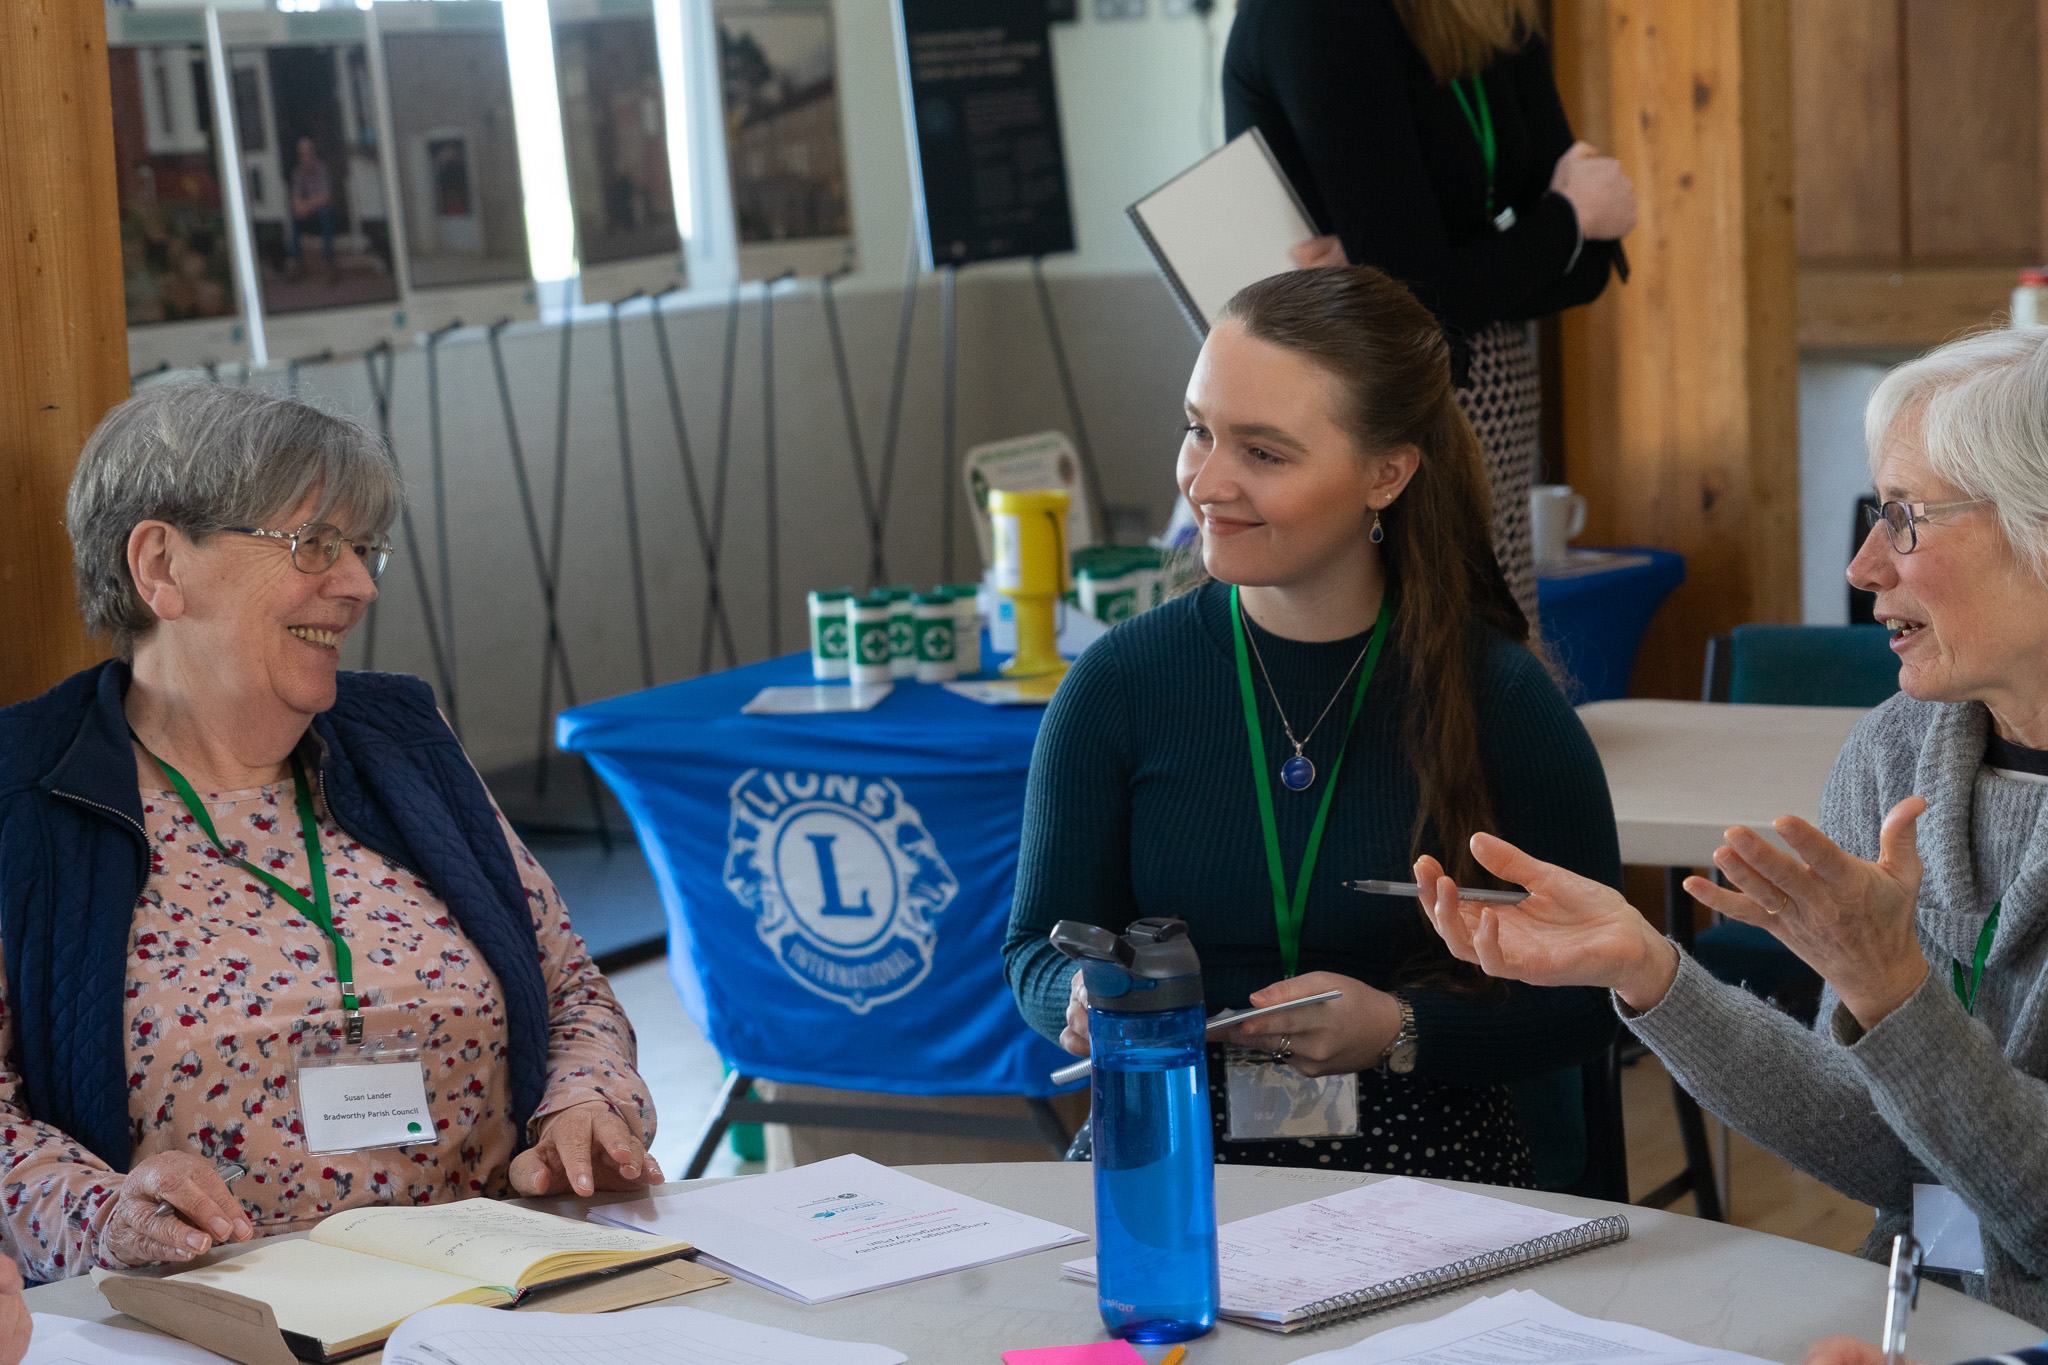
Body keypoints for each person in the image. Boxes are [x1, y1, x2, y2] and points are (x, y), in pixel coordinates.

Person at [1414, 326, 2048, 1324]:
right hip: (1917, 1317)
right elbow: (1888, 1152)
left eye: (1904, 518)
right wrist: (1649, 972)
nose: (1861, 563)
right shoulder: (1892, 753)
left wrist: (1889, 990)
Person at [0, 386, 660, 1281]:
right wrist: (98, 1211)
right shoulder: (27, 789)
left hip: (493, 1297)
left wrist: (588, 1104)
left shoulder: (403, 743)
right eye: (313, 544)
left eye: (361, 547)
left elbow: (571, 987)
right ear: (161, 565)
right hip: (219, 1324)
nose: (356, 583)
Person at [1003, 266, 1618, 1185]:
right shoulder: (1117, 684)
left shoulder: (1498, 695)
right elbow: (1035, 947)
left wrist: (1399, 1027)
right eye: (1199, 431)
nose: (1205, 483)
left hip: (1428, 1165)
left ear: (1387, 473)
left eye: (1264, 453)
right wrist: (1079, 994)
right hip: (1173, 1148)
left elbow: (1601, 989)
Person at [1223, 0, 1635, 626]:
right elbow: (1422, 300)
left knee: (1487, 671)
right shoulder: (1320, 17)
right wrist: (1566, 219)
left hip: (1487, 403)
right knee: (1406, 673)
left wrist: (1436, 276)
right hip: (1362, 405)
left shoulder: (1492, 14)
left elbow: (1588, 267)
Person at [288, 137, 335, 276]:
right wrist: (299, 207)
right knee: (292, 214)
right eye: (303, 154)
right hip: (308, 215)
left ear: (313, 153)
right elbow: (295, 197)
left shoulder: (322, 169)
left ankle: (329, 262)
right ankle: (296, 263)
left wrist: (306, 206)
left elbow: (325, 197)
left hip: (321, 214)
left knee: (326, 213)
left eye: (308, 153)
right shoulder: (298, 172)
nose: (306, 157)